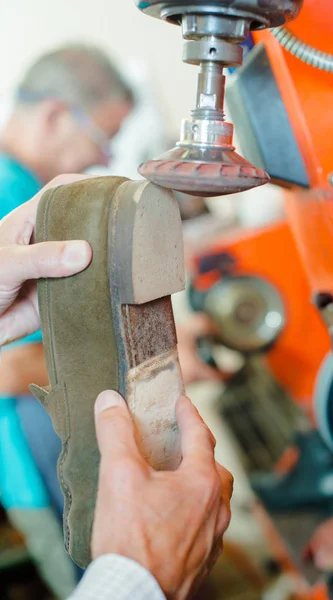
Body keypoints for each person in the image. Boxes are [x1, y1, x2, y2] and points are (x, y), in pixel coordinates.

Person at [0, 174, 234, 599]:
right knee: (95, 544)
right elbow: (8, 371)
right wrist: (138, 576)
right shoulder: (5, 183)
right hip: (33, 470)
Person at [0, 44, 134, 597]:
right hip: (35, 471)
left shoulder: (28, 191)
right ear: (55, 115)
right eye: (101, 140)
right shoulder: (15, 195)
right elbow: (8, 370)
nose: (102, 160)